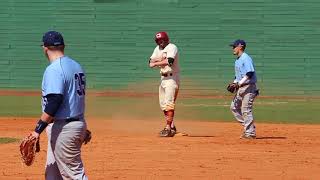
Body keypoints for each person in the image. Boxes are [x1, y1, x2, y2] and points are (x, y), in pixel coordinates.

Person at [30, 30, 90, 179]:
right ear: (63, 46)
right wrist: (80, 126)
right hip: (71, 124)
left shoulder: (54, 69)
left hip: (64, 128)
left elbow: (54, 101)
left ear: (45, 47)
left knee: (74, 175)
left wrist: (37, 130)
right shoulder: (75, 66)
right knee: (52, 174)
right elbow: (73, 99)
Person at [149, 31, 180, 137]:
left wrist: (157, 62)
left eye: (162, 40)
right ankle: (172, 126)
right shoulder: (157, 49)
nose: (160, 42)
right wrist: (161, 59)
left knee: (169, 103)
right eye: (158, 40)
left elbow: (169, 61)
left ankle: (167, 128)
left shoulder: (172, 47)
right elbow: (150, 62)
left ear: (166, 39)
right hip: (163, 79)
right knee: (163, 105)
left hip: (172, 78)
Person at [228, 39, 259, 139]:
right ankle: (249, 126)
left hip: (249, 87)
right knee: (234, 107)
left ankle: (250, 133)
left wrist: (239, 83)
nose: (233, 48)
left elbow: (250, 73)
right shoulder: (238, 60)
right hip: (241, 88)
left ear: (240, 46)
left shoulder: (246, 58)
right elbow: (238, 76)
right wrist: (234, 83)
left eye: (234, 46)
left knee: (246, 110)